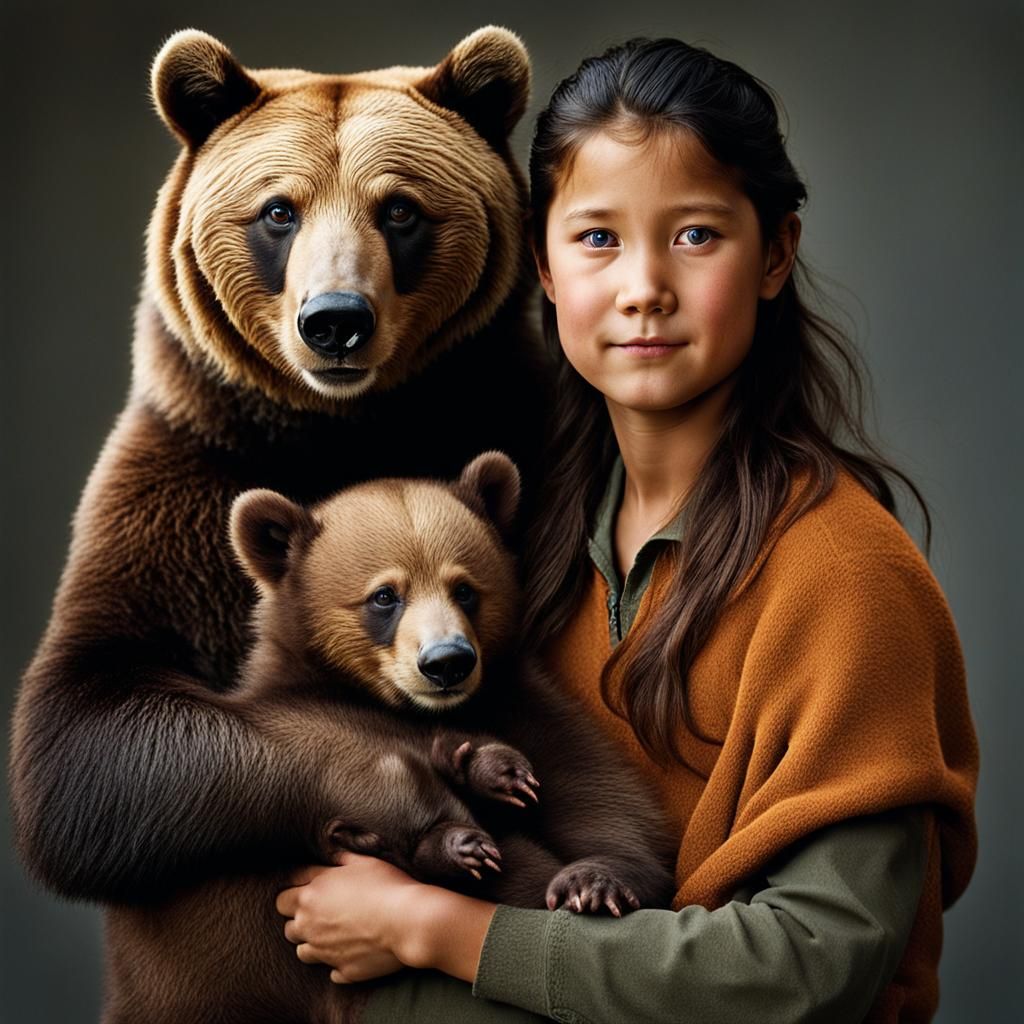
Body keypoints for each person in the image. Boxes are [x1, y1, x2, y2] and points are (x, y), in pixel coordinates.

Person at [275, 38, 978, 1023]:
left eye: (694, 235)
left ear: (776, 252)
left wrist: (436, 929)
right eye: (598, 237)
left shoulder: (844, 574)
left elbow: (814, 964)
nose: (643, 285)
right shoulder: (506, 545)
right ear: (543, 262)